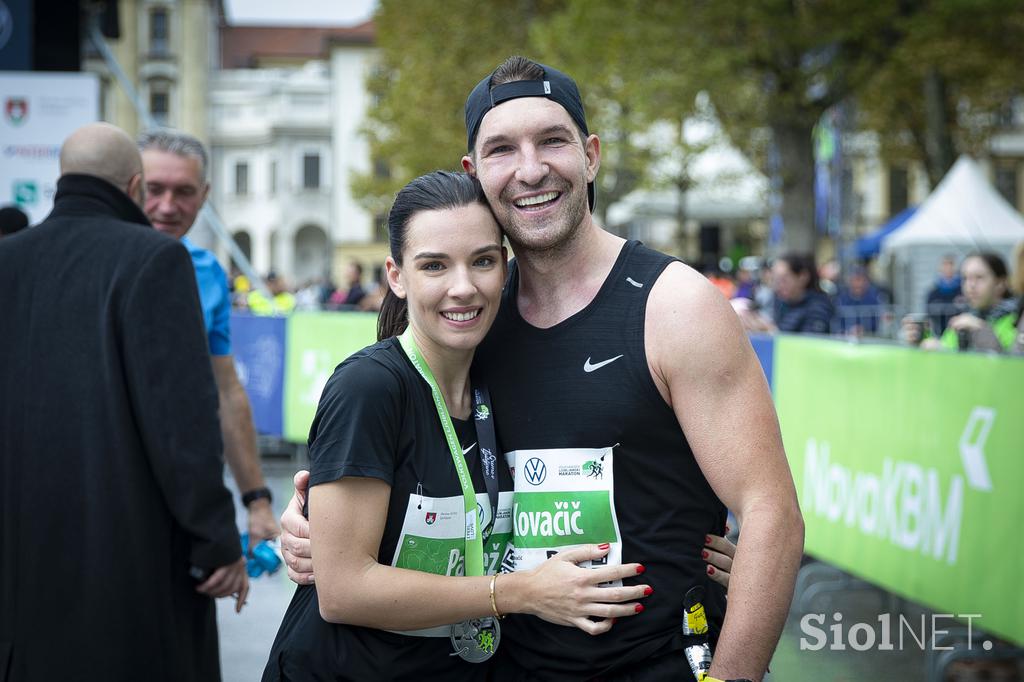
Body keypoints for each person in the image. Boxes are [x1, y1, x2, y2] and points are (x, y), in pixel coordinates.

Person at [280, 56, 802, 682]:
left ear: (591, 156)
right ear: (475, 172)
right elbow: (404, 471)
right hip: (503, 666)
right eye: (502, 150)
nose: (531, 170)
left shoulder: (673, 305)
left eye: (552, 141)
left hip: (658, 661)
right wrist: (317, 531)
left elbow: (771, 511)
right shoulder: (473, 315)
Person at [262, 172, 650, 681]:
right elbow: (342, 592)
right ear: (396, 276)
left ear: (505, 268)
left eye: (483, 261)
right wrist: (520, 593)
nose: (462, 287)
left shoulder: (504, 381)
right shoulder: (370, 388)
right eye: (434, 266)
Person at [0, 122, 247, 681]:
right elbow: (182, 424)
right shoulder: (155, 259)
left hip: (21, 564)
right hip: (126, 561)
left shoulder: (7, 260)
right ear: (133, 186)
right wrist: (215, 541)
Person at [138, 129, 280, 547]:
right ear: (130, 186)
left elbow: (226, 390)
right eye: (154, 189)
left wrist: (257, 500)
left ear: (204, 195)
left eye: (183, 191)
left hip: (182, 497)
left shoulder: (208, 273)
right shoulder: (89, 261)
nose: (167, 206)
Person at [920, 252, 1018, 353]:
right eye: (965, 278)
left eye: (979, 277)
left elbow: (1011, 364)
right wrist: (920, 340)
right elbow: (946, 349)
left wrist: (982, 331)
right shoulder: (965, 320)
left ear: (1000, 283)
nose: (971, 285)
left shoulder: (1017, 321)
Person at [770, 252, 835, 334]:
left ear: (802, 277)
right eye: (775, 280)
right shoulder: (782, 303)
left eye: (784, 279)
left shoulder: (818, 307)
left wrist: (772, 331)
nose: (778, 286)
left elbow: (809, 342)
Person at [835, 264, 888, 336]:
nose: (859, 284)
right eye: (856, 280)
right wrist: (848, 330)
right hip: (846, 338)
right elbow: (836, 320)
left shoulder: (874, 298)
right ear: (850, 281)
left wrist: (864, 329)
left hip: (870, 337)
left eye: (862, 280)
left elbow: (879, 317)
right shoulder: (842, 299)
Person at [925, 254, 963, 334]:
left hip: (958, 332)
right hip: (938, 332)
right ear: (940, 268)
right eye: (945, 264)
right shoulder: (933, 292)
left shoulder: (962, 290)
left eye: (951, 264)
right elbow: (928, 314)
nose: (948, 268)